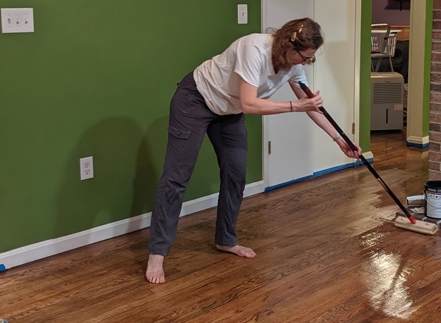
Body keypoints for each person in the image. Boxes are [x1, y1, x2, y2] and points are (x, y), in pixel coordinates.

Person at [146, 18, 361, 284]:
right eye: (304, 58)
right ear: (289, 46)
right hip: (196, 100)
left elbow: (311, 105)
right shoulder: (253, 49)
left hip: (228, 111)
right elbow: (250, 103)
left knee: (236, 173)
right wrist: (296, 107)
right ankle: (157, 252)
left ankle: (225, 240)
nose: (304, 64)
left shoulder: (293, 65)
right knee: (177, 178)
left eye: (309, 60)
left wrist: (339, 139)